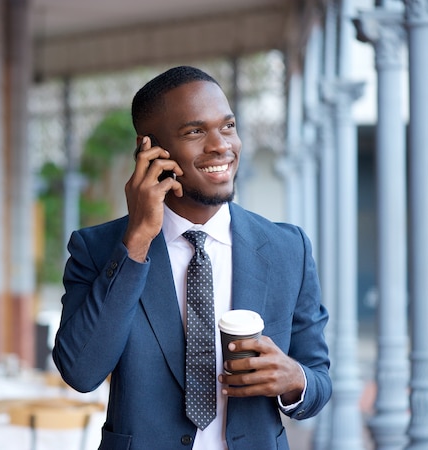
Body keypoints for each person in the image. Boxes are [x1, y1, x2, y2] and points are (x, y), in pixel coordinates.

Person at [52, 66, 331, 450]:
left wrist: (295, 379)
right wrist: (136, 242)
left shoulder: (288, 248)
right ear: (150, 149)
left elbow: (319, 379)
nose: (221, 145)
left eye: (228, 126)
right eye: (195, 131)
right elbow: (81, 371)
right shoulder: (98, 250)